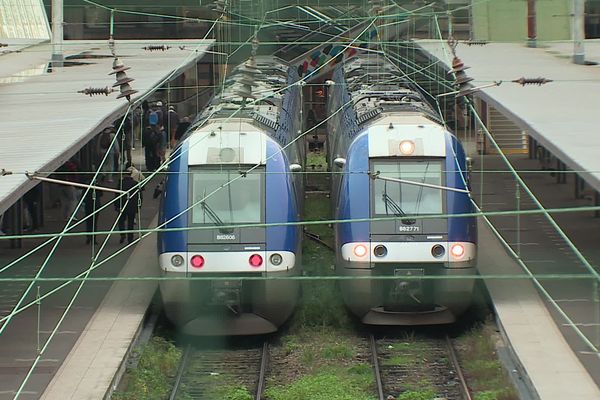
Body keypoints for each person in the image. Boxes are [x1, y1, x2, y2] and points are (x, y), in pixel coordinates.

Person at [115, 168, 143, 244]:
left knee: (121, 221)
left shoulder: (121, 183)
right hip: (132, 206)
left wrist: (116, 206)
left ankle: (122, 234)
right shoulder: (135, 183)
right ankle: (130, 238)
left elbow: (117, 195)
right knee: (130, 223)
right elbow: (139, 195)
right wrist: (139, 205)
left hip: (122, 205)